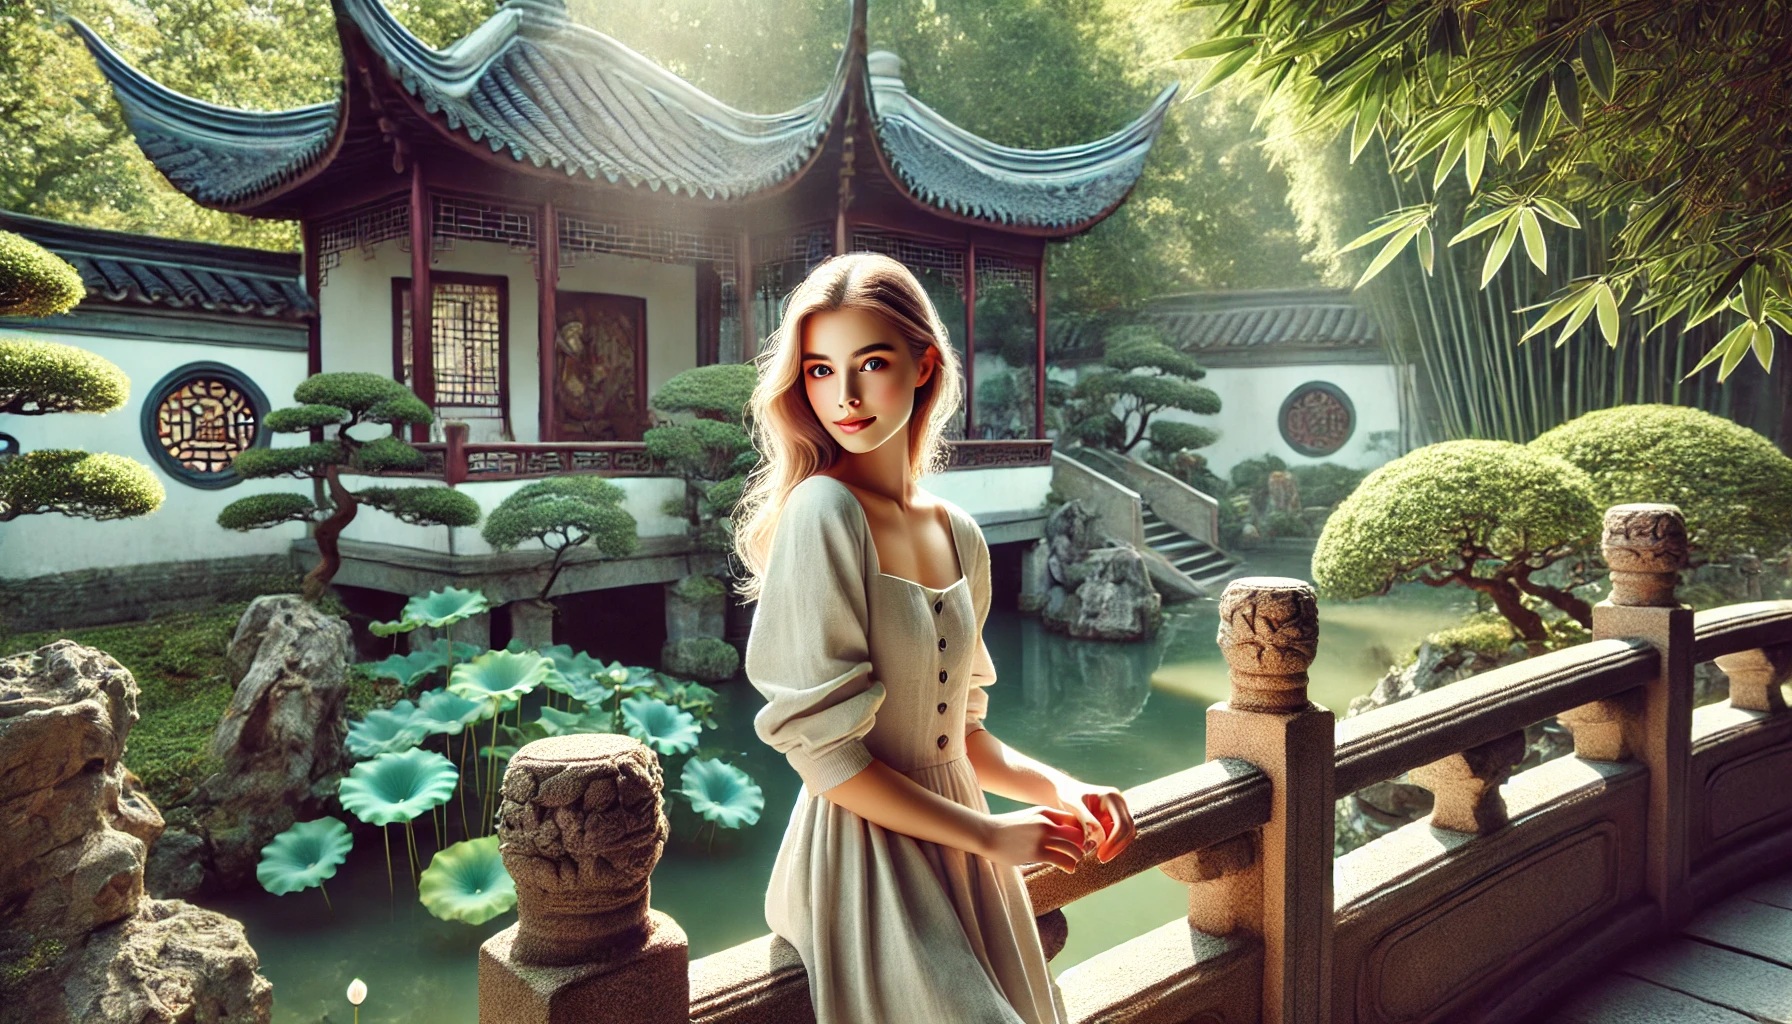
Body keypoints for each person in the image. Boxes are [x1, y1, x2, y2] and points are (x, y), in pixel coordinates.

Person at [732, 252, 1138, 1024]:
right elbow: (826, 757)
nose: (843, 397)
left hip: (964, 844)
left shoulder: (960, 534)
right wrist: (989, 834)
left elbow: (962, 736)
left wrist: (1062, 790)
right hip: (862, 853)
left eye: (870, 364)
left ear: (923, 365)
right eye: (818, 370)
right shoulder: (822, 511)